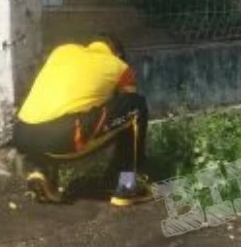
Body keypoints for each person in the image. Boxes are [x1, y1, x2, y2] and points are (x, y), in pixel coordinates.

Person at [12, 35, 151, 206]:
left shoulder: (62, 51)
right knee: (135, 106)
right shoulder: (119, 66)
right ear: (119, 54)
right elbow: (125, 102)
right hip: (62, 136)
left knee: (59, 111)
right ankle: (126, 187)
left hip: (22, 133)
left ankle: (42, 171)